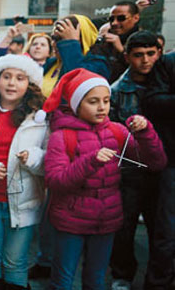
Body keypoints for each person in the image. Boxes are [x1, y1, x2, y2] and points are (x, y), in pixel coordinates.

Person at [42, 68, 166, 290]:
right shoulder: (62, 135)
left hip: (106, 220)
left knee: (96, 280)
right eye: (93, 101)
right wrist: (91, 161)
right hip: (71, 221)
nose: (102, 107)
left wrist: (146, 132)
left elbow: (155, 162)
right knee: (63, 280)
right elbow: (56, 180)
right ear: (76, 104)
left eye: (106, 100)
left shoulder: (117, 131)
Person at [0, 55, 48, 290]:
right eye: (7, 76)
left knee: (16, 261)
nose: (12, 83)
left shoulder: (40, 119)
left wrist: (33, 158)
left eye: (20, 78)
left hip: (24, 202)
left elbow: (49, 160)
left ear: (29, 84)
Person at [108, 31, 163, 290]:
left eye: (151, 54)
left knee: (162, 229)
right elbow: (110, 132)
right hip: (129, 171)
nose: (145, 60)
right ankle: (122, 275)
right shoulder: (117, 90)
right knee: (124, 227)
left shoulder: (166, 81)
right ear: (128, 56)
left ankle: (160, 277)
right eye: (139, 55)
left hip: (163, 168)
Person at [139, 43, 175, 290]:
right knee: (167, 228)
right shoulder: (168, 62)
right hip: (172, 161)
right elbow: (152, 101)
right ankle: (159, 283)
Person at [90, 1, 142, 83]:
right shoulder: (104, 40)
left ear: (135, 18)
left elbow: (144, 70)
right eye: (111, 19)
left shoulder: (144, 40)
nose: (114, 23)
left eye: (121, 18)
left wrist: (121, 50)